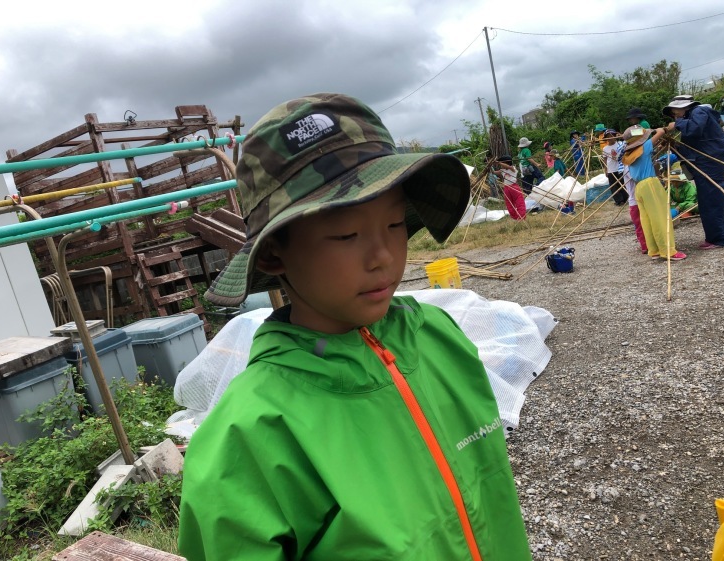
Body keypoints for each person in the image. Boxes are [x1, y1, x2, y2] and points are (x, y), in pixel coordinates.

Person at [178, 93, 532, 561]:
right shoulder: (250, 435)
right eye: (346, 235)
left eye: (394, 224)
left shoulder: (440, 337)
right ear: (273, 253)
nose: (383, 256)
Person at [664, 95, 724, 249]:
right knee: (719, 196)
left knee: (709, 200)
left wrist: (677, 123)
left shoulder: (699, 112)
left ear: (683, 107)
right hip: (708, 160)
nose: (675, 116)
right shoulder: (696, 116)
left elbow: (694, 130)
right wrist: (676, 146)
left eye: (675, 113)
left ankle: (718, 239)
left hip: (709, 162)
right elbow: (693, 143)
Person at [621, 124, 687, 260]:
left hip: (639, 187)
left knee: (648, 219)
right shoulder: (644, 147)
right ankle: (668, 251)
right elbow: (662, 132)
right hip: (650, 184)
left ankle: (655, 249)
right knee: (660, 217)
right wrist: (663, 129)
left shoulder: (630, 154)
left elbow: (651, 154)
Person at [492, 154, 526, 220]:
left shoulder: (513, 168)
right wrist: (490, 167)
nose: (501, 165)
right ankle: (515, 217)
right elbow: (494, 172)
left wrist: (499, 162)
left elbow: (509, 167)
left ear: (506, 163)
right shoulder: (502, 170)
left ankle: (521, 216)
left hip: (514, 187)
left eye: (502, 163)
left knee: (519, 202)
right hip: (506, 188)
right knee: (509, 204)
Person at [602, 129, 628, 205]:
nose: (610, 138)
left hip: (620, 167)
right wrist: (606, 170)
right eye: (608, 137)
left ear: (615, 136)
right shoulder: (605, 148)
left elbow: (627, 142)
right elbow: (605, 159)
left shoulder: (620, 144)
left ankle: (625, 198)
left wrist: (621, 136)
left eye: (612, 136)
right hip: (611, 169)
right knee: (614, 186)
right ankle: (619, 201)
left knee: (622, 184)